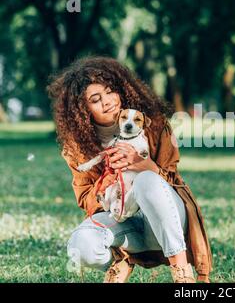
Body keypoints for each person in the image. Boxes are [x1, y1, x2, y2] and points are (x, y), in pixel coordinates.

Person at [47, 56, 213, 283]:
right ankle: (123, 259)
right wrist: (106, 181)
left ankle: (182, 274)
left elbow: (172, 179)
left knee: (146, 180)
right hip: (125, 223)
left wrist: (143, 164)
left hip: (165, 221)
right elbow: (86, 198)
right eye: (95, 99)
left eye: (110, 91)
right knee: (81, 244)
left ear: (121, 88)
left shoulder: (153, 123)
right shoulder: (76, 147)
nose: (108, 102)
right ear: (82, 109)